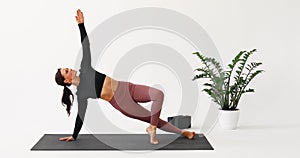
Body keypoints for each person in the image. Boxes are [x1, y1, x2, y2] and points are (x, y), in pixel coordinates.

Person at [55, 9, 195, 145]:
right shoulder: (82, 94)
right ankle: (182, 132)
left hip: (127, 87)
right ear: (67, 81)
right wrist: (74, 135)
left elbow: (86, 45)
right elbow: (81, 116)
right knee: (154, 119)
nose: (70, 69)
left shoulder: (84, 69)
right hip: (122, 103)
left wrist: (81, 25)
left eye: (67, 68)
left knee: (158, 94)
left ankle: (152, 129)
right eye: (66, 71)